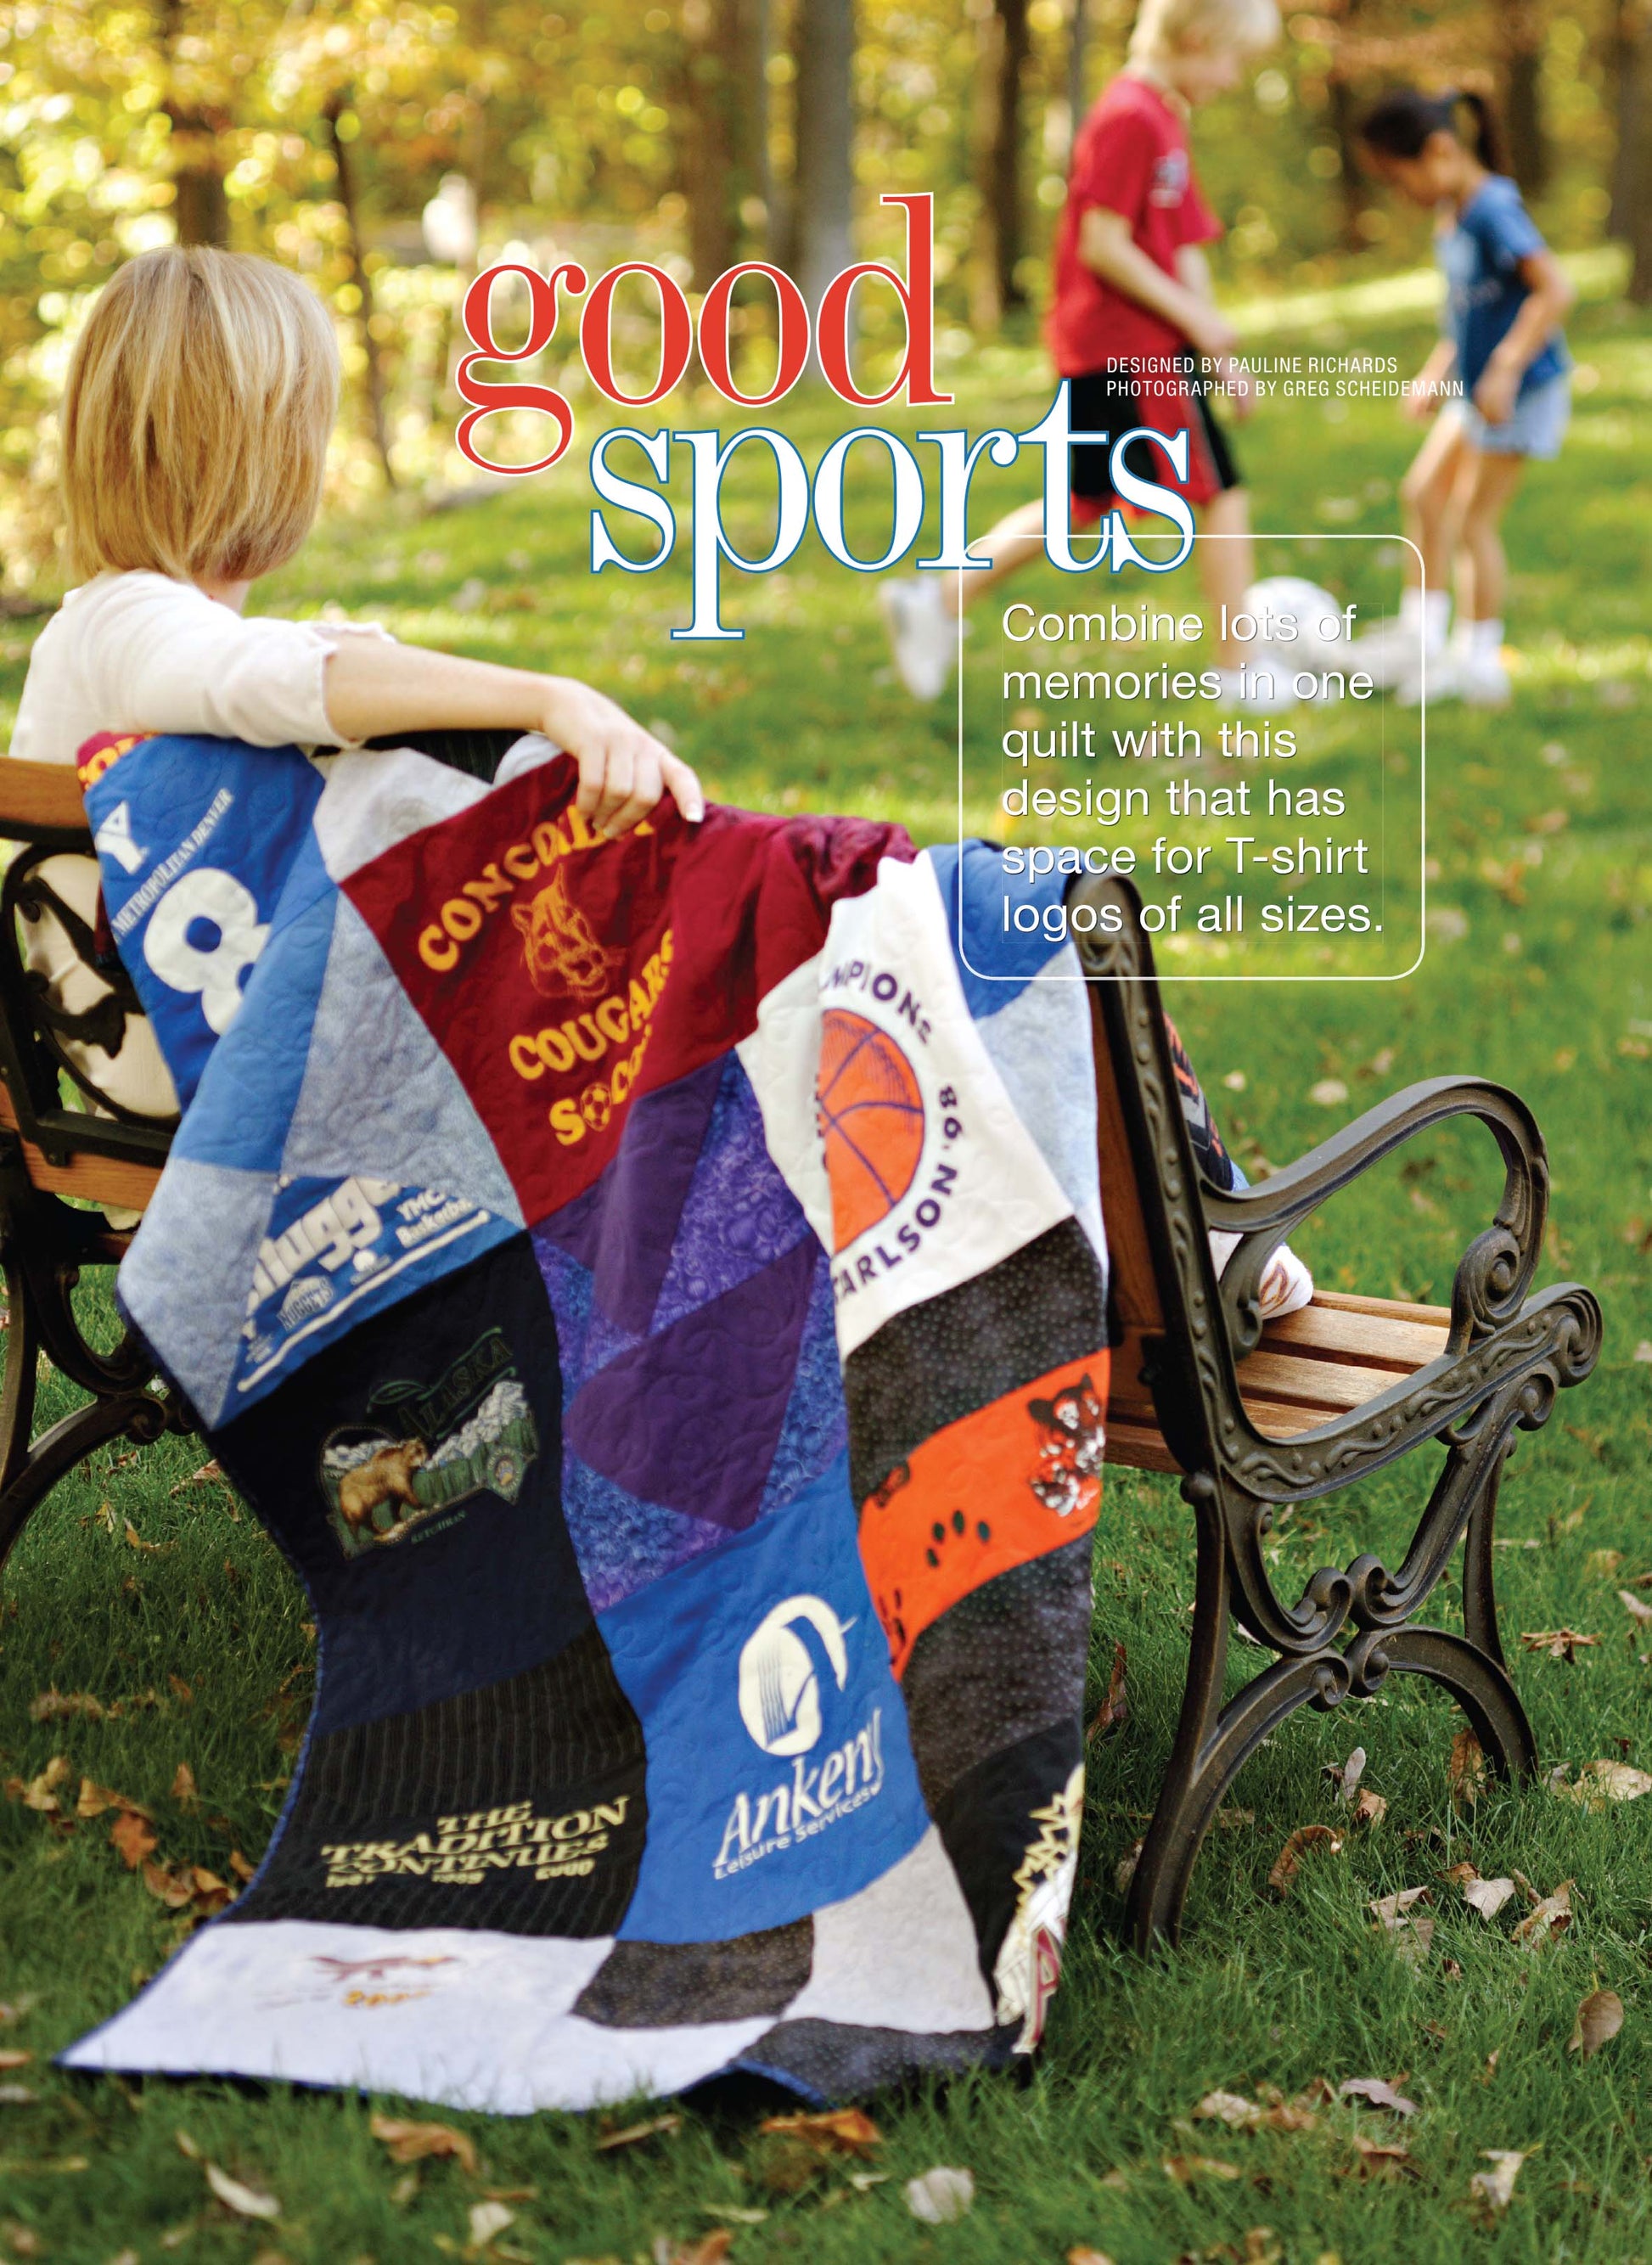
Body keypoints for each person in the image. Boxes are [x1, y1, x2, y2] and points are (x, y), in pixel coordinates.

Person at [8, 246, 703, 1116]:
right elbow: (268, 678)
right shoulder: (124, 622)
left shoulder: (131, 629)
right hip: (194, 1089)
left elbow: (269, 662)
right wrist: (556, 699)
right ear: (267, 448)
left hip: (170, 1067)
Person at [880, 0, 1284, 709]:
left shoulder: (1163, 117)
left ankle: (936, 600)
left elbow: (1182, 244)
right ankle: (1240, 673)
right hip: (1128, 348)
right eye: (1233, 61)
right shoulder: (1129, 116)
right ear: (1196, 39)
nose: (1232, 79)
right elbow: (1103, 243)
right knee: (1219, 492)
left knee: (1086, 499)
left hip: (1130, 345)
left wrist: (1218, 349)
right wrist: (1196, 322)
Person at [1354, 89, 1573, 706]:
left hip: (1519, 389)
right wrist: (1438, 369)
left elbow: (1555, 290)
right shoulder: (1452, 215)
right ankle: (1421, 637)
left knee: (1471, 521)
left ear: (1439, 151)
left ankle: (1479, 664)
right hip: (1475, 390)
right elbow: (1469, 313)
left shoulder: (1492, 208)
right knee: (1422, 494)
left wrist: (1505, 368)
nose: (1400, 194)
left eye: (1398, 177)